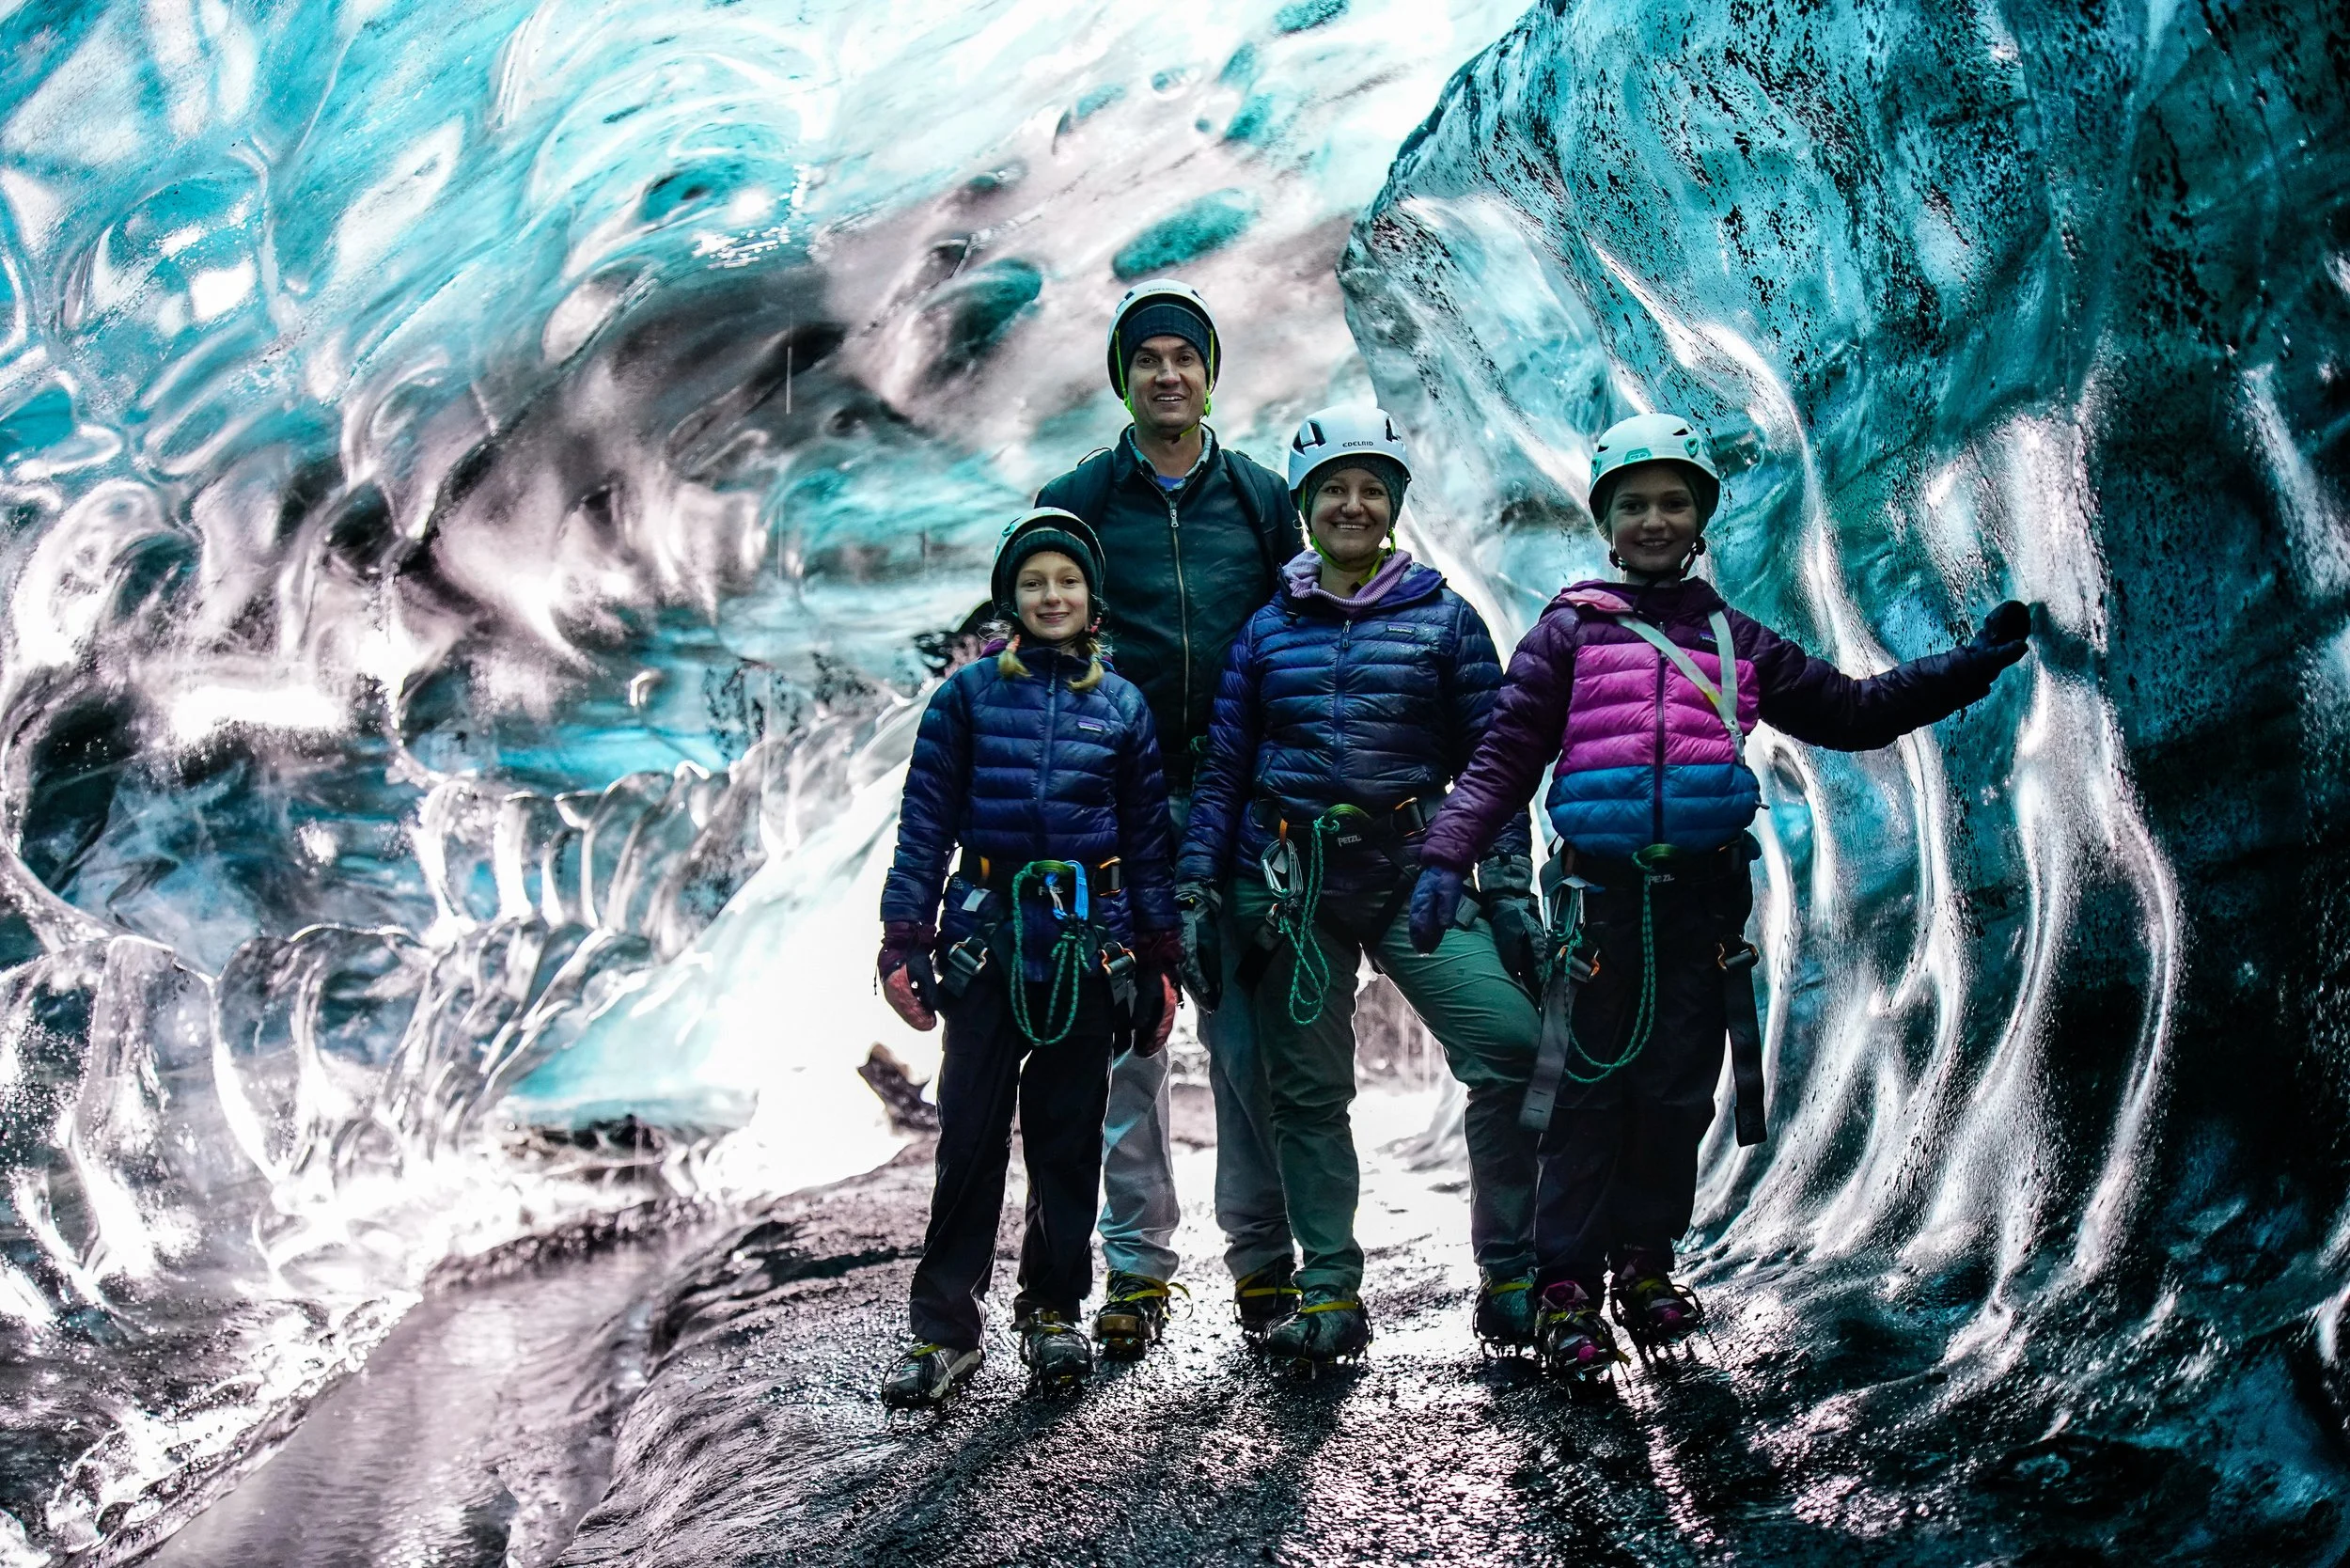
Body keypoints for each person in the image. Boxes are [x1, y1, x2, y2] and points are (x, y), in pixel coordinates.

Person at [1405, 411, 2033, 1374]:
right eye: (1632, 505)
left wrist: (1968, 670)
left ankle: (1646, 1270)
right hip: (1597, 906)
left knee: (1671, 1096)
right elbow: (1500, 765)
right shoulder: (1565, 636)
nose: (1652, 520)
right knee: (1583, 1092)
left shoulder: (1737, 643)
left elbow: (1852, 713)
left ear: (1698, 518)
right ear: (1604, 524)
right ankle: (1564, 1285)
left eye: (1671, 502)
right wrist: (1445, 860)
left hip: (1701, 906)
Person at [1177, 405, 1547, 1365]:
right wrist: (1195, 893)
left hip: (1411, 870)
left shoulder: (1445, 616)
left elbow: (1496, 765)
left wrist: (1508, 896)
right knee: (1305, 1094)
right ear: (1305, 506)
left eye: (1370, 488)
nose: (1352, 503)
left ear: (1391, 505)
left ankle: (1511, 1276)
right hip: (1292, 884)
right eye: (1332, 488)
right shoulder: (1265, 632)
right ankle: (1331, 1294)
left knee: (1509, 1050)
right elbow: (1223, 771)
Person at [1033, 280, 1303, 1354]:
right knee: (1123, 1042)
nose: (1166, 373)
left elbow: (1304, 630)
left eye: (1183, 356)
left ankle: (1261, 1268)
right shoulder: (1080, 494)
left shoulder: (1260, 499)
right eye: (1145, 358)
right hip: (1117, 796)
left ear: (1208, 372)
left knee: (1245, 1043)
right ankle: (1137, 1271)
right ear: (1123, 377)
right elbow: (1037, 630)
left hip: (1235, 794)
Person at [874, 510, 1183, 1408]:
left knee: (1066, 1140)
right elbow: (923, 830)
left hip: (1086, 948)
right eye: (1035, 582)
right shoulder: (965, 698)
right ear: (1011, 597)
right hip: (988, 940)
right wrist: (904, 941)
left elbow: (1146, 843)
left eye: (1068, 582)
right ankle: (944, 1330)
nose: (1053, 596)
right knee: (967, 1140)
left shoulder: (1123, 708)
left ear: (1092, 601)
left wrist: (1156, 957)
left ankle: (1052, 1311)